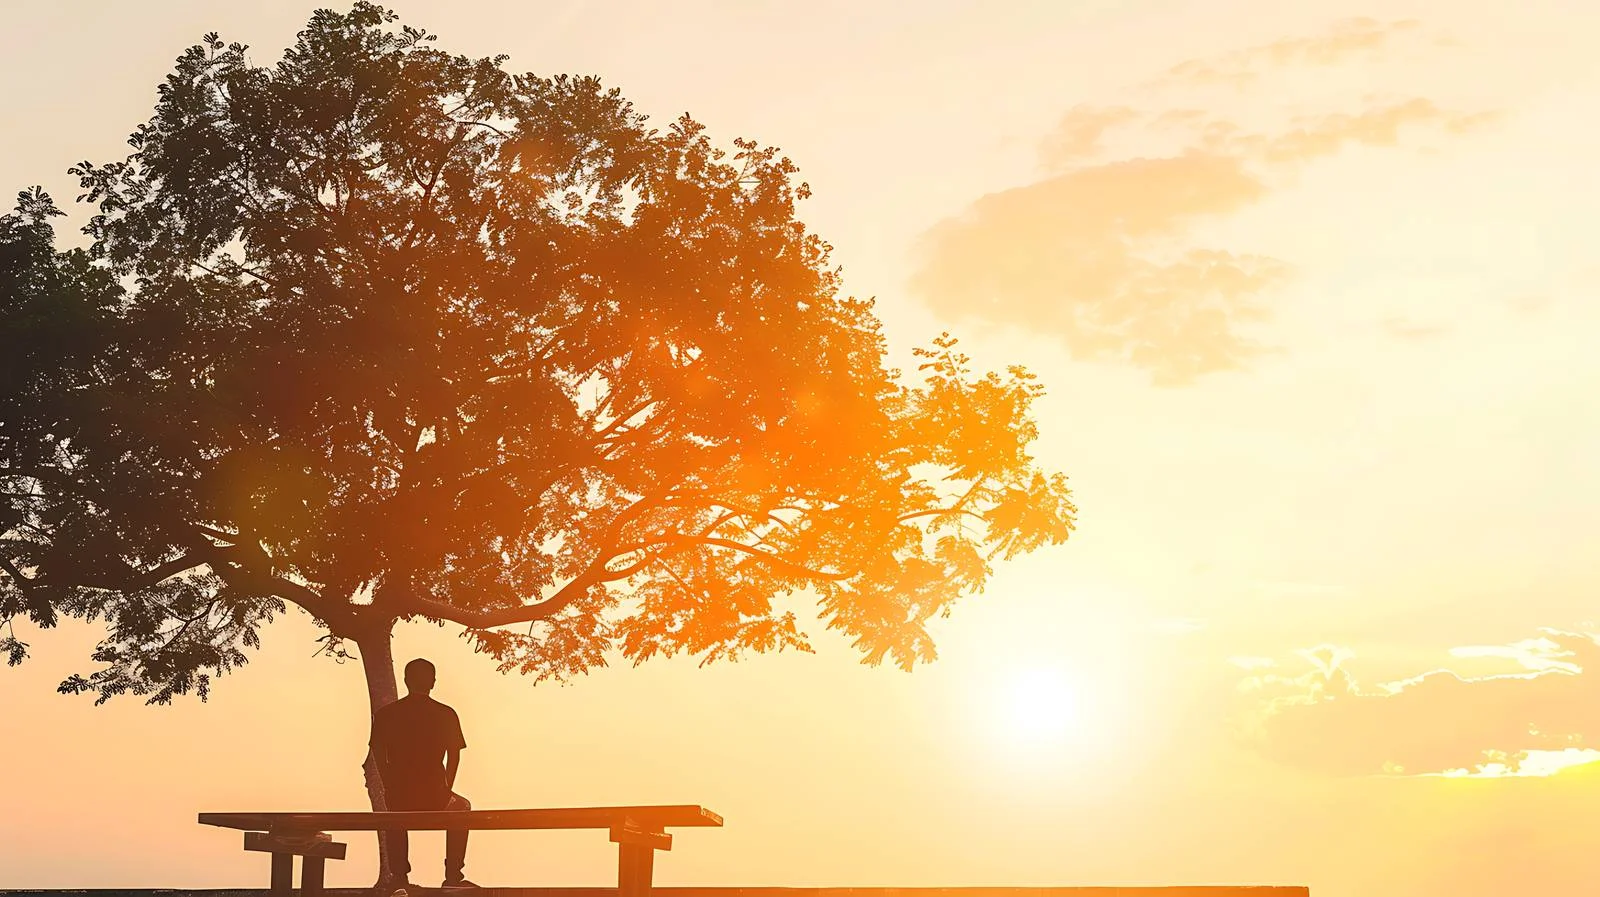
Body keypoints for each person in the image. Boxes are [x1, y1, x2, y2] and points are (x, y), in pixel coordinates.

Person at [369, 658, 479, 890]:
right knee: (463, 807)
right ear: (433, 682)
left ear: (406, 681)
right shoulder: (446, 713)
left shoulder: (386, 714)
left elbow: (377, 752)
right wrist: (446, 788)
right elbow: (454, 757)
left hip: (399, 794)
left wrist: (389, 783)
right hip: (435, 795)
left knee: (393, 814)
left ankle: (399, 875)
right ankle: (453, 875)